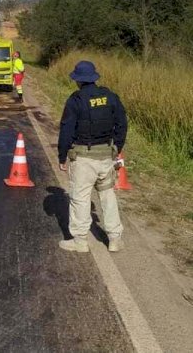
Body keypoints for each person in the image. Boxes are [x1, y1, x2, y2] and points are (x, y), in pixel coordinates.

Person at [58, 60, 128, 253]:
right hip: (106, 157)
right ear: (94, 78)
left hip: (83, 159)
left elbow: (66, 130)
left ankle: (80, 242)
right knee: (107, 196)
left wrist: (62, 156)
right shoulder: (110, 97)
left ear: (78, 80)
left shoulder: (76, 100)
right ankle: (114, 239)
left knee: (80, 198)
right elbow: (122, 124)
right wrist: (116, 148)